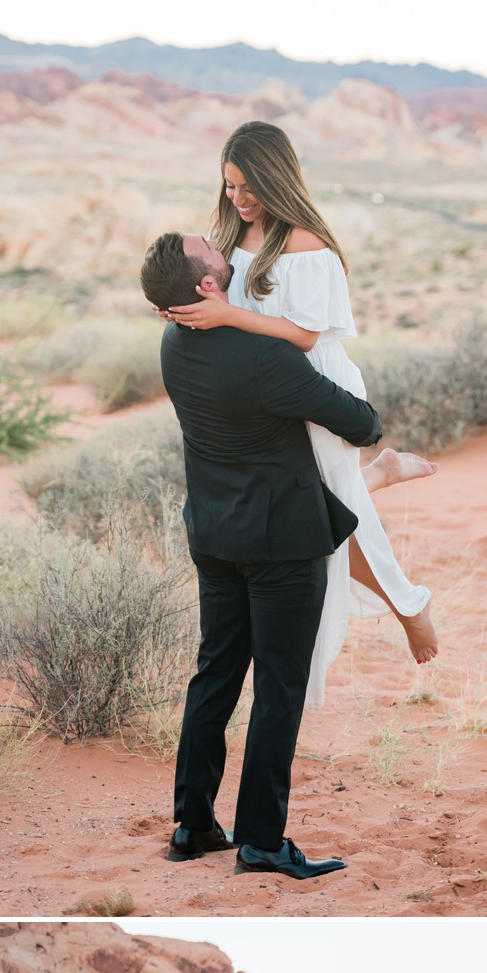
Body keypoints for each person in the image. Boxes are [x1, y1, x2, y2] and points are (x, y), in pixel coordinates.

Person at [160, 119, 438, 707]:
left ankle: (409, 603)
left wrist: (229, 318)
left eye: (246, 186)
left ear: (274, 176)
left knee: (324, 512)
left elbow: (306, 338)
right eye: (228, 186)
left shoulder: (309, 245)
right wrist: (184, 310)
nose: (236, 199)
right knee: (305, 504)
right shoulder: (228, 232)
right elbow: (213, 295)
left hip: (313, 385)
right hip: (260, 389)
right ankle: (383, 477)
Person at [141, 229, 378, 880]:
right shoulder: (264, 356)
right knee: (278, 686)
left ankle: (192, 825)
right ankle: (263, 842)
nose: (220, 241)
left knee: (214, 674)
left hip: (215, 537)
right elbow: (364, 421)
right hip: (281, 545)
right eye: (211, 249)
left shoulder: (172, 342)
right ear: (208, 285)